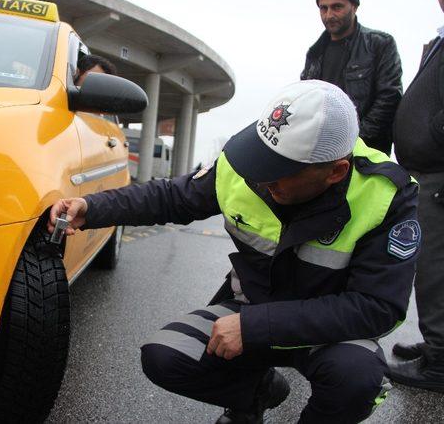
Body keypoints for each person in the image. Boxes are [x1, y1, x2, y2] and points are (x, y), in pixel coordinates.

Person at [49, 80, 419, 423]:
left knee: (355, 380)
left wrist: (256, 326)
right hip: (251, 306)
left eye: (280, 170)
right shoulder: (246, 165)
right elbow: (172, 197)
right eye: (262, 159)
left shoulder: (387, 194)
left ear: (336, 172)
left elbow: (378, 307)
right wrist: (91, 209)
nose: (260, 177)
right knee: (164, 356)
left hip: (327, 329)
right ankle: (256, 395)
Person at [387, 0, 444, 394]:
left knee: (435, 269)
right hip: (428, 170)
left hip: (438, 171)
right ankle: (437, 344)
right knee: (430, 267)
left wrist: (430, 138)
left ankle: (440, 362)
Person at [301, 0, 403, 155]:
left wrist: (354, 140)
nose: (329, 15)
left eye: (337, 7)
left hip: (366, 152)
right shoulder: (315, 53)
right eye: (323, 8)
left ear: (354, 7)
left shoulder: (379, 44)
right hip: (323, 153)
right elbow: (306, 103)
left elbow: (389, 97)